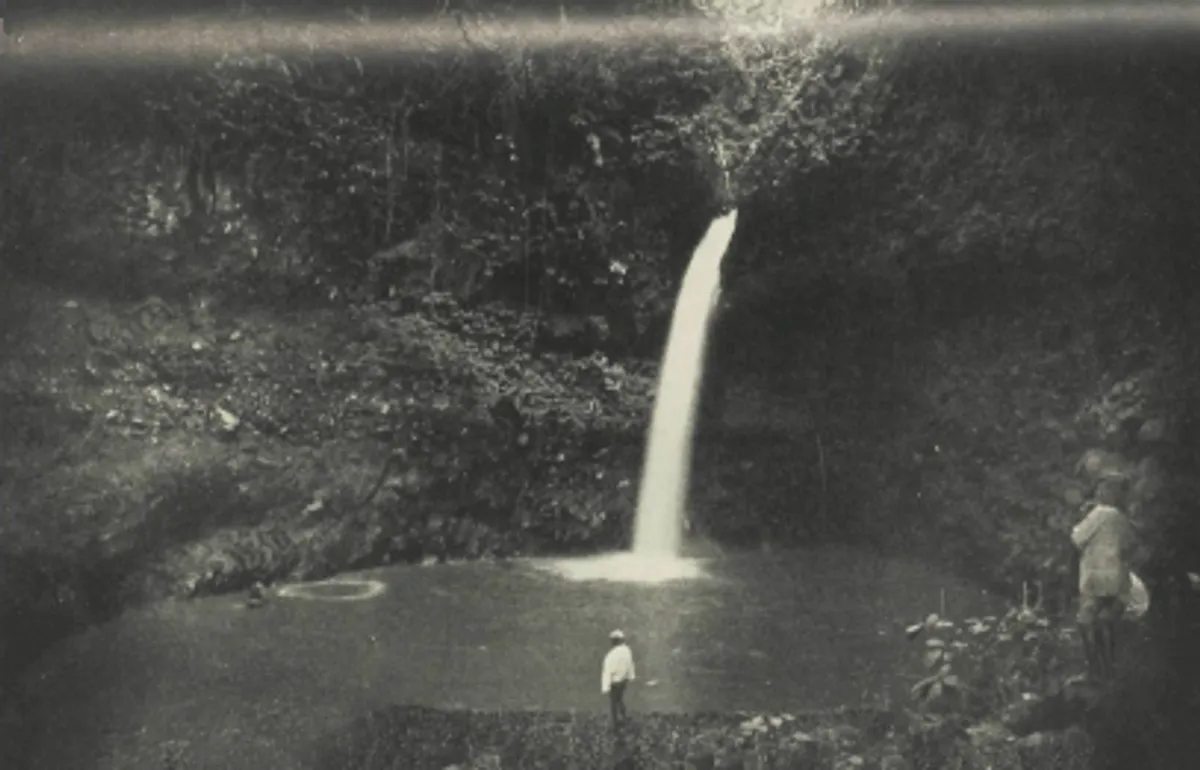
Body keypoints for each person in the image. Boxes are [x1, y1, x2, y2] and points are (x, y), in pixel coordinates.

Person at [1070, 475, 1137, 681]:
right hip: (1116, 576)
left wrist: (1081, 518)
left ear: (1106, 494)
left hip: (1095, 576)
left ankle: (1094, 670)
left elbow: (1077, 538)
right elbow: (1130, 544)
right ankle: (1110, 669)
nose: (1097, 494)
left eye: (1101, 491)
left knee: (1086, 621)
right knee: (1106, 620)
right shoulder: (1121, 517)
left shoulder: (1098, 514)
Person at [601, 629, 635, 730]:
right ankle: (623, 718)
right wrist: (630, 676)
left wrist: (605, 687)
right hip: (623, 680)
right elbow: (630, 665)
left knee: (613, 702)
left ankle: (614, 723)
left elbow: (607, 671)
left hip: (614, 681)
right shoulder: (627, 651)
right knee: (619, 700)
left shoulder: (611, 655)